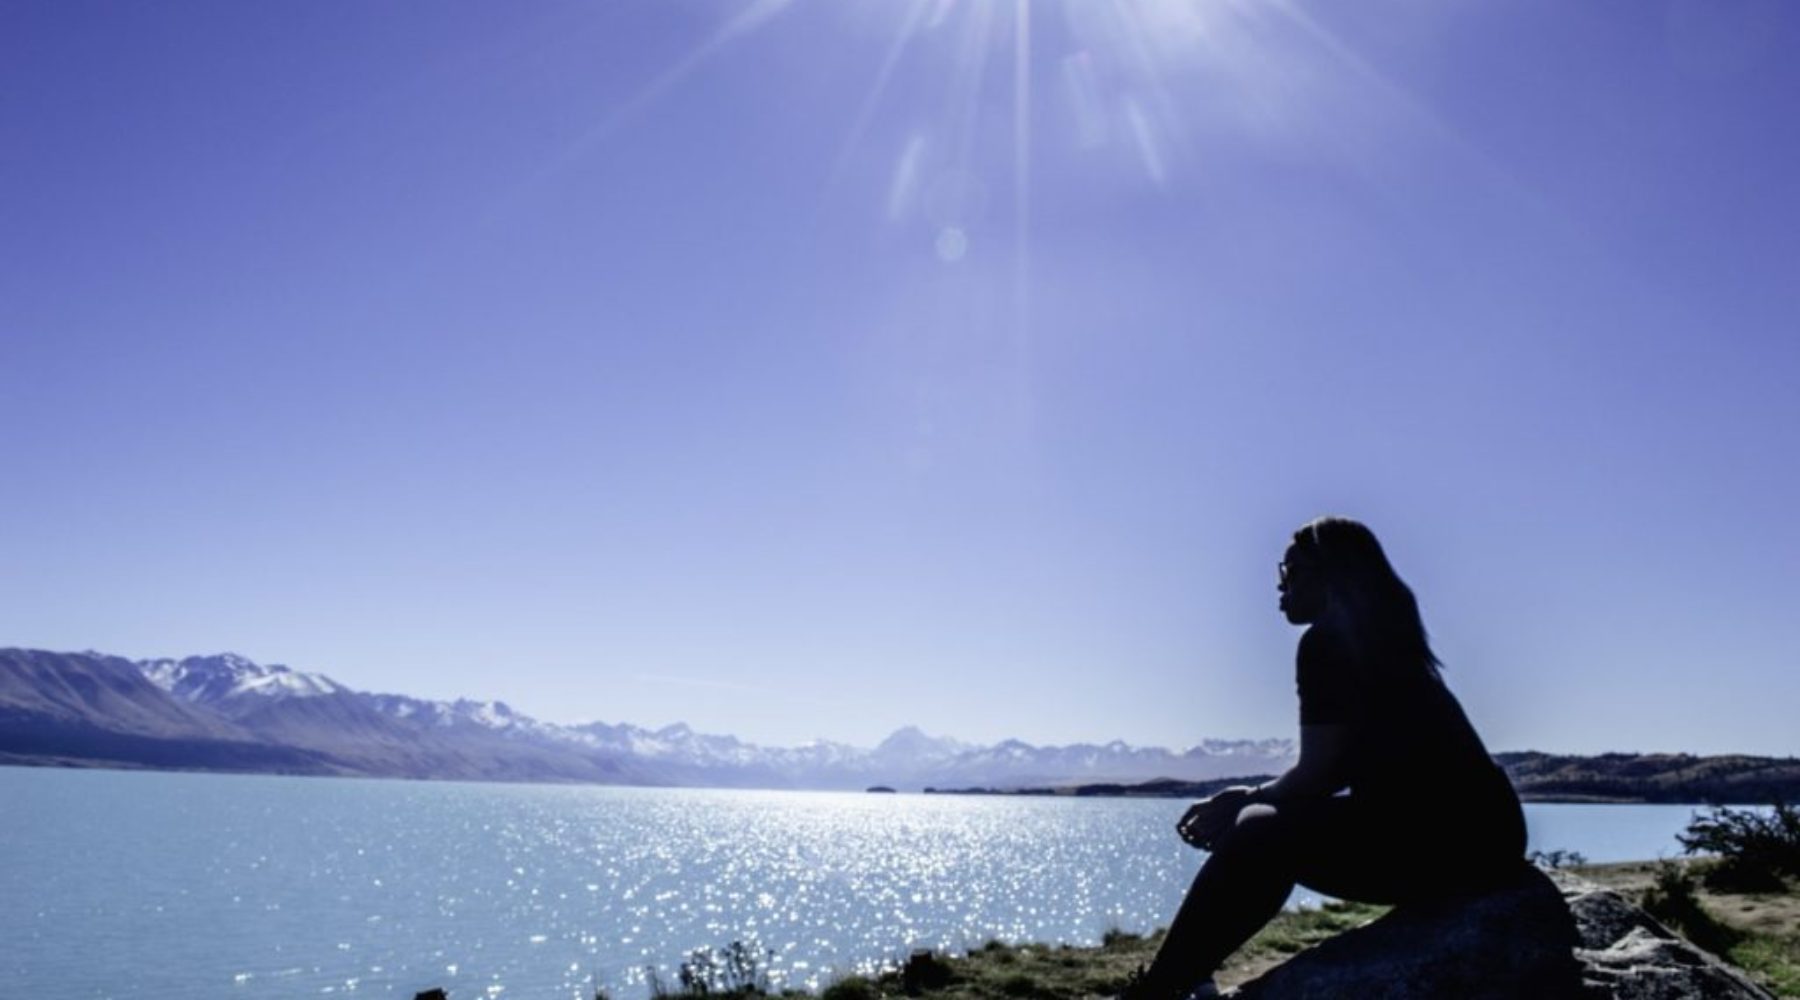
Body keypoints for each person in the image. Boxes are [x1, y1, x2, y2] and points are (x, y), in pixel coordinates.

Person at [1125, 517, 1526, 999]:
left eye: (1290, 572)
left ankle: (1160, 990)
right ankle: (1188, 974)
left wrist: (1243, 801)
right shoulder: (1387, 642)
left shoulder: (1326, 643)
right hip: (1490, 838)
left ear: (1331, 576)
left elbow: (1317, 774)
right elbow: (1333, 771)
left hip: (1445, 846)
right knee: (1263, 823)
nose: (1279, 587)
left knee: (1260, 829)